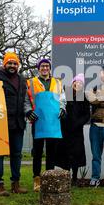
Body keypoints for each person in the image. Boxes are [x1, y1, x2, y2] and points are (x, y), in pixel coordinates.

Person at [0, 52, 34, 196]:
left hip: (18, 123)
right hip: (1, 122)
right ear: (5, 64)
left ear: (18, 65)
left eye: (15, 63)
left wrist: (28, 112)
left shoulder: (22, 80)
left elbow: (25, 100)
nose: (12, 66)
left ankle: (15, 184)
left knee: (17, 154)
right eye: (9, 63)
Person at [27, 58, 66, 192]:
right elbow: (27, 100)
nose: (45, 68)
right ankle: (37, 179)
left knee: (51, 152)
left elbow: (62, 99)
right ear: (38, 68)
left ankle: (49, 178)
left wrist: (63, 109)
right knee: (37, 152)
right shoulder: (31, 82)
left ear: (50, 68)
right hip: (38, 121)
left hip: (54, 121)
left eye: (47, 66)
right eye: (42, 66)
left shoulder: (58, 82)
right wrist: (28, 112)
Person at [56, 74, 91, 185]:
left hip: (77, 131)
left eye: (81, 83)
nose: (78, 84)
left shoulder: (84, 97)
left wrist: (79, 123)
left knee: (76, 154)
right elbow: (60, 106)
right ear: (73, 83)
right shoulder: (65, 94)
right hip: (65, 129)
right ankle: (66, 177)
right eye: (77, 82)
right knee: (65, 153)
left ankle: (75, 178)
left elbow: (87, 115)